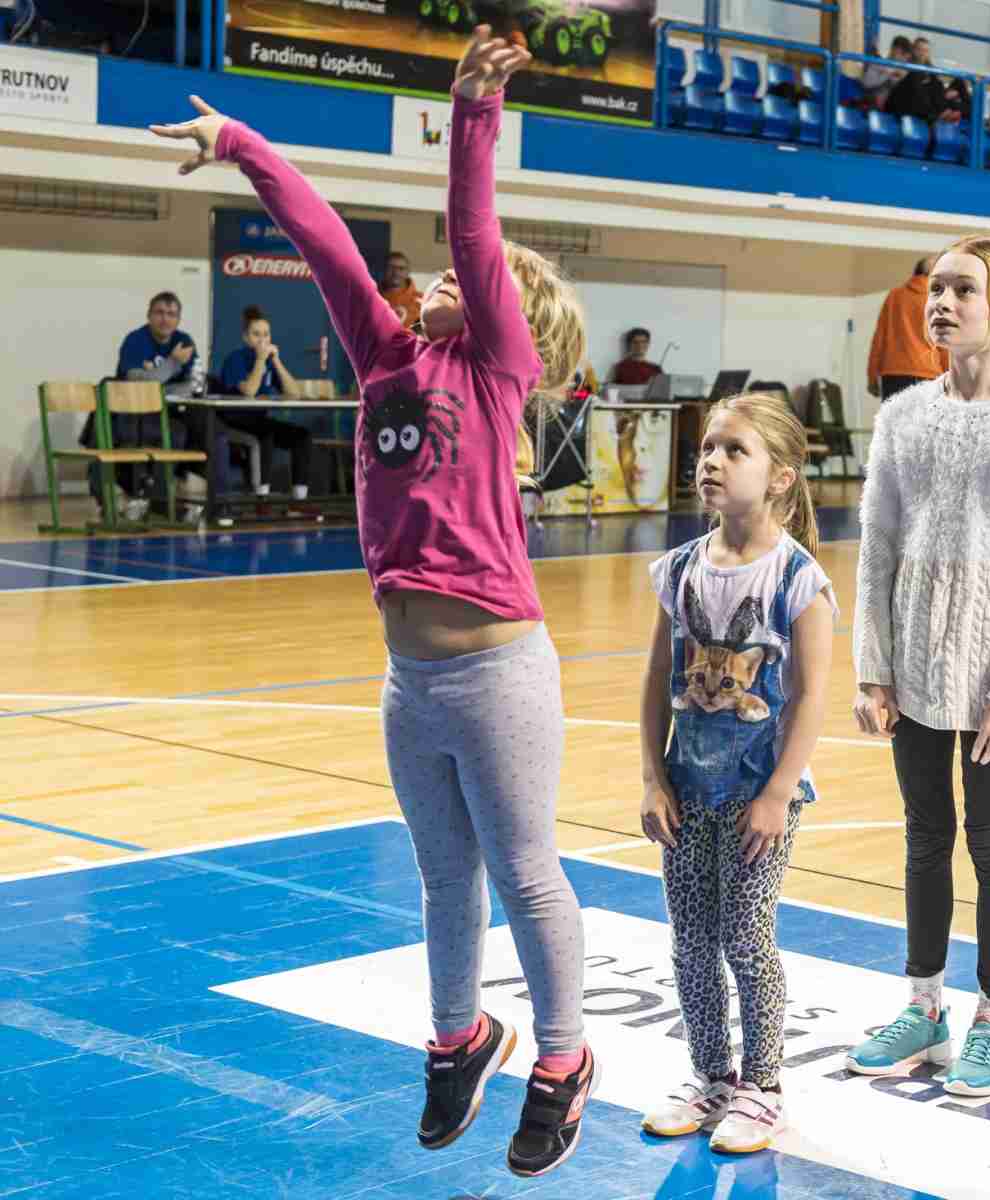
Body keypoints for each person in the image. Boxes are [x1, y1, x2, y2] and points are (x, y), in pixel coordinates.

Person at [152, 29, 596, 1177]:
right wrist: (239, 142)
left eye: (475, 281)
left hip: (499, 672)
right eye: (443, 276)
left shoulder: (495, 367)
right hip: (412, 679)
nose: (447, 275)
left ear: (511, 316)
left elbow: (474, 229)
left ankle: (563, 1058)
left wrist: (473, 109)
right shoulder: (384, 356)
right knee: (443, 875)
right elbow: (325, 243)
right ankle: (458, 1037)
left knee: (525, 871)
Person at [846, 236, 990, 1096]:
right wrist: (874, 668)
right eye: (936, 289)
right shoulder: (902, 417)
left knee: (989, 842)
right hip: (912, 672)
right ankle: (924, 1007)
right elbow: (877, 548)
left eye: (962, 291)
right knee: (924, 839)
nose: (941, 303)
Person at [638, 391, 835, 1154]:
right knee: (690, 941)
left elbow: (812, 696)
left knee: (746, 939)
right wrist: (653, 777)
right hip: (686, 792)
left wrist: (779, 792)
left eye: (733, 450)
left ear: (780, 477)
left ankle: (764, 1089)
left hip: (758, 798)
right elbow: (655, 680)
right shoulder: (679, 569)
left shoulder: (798, 579)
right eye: (707, 449)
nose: (712, 462)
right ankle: (711, 1078)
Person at [90, 291, 200, 509]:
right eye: (159, 312)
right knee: (153, 433)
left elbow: (194, 385)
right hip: (129, 414)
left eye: (171, 314)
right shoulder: (135, 340)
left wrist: (155, 378)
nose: (165, 319)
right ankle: (142, 495)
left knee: (179, 431)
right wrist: (172, 363)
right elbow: (136, 383)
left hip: (163, 413)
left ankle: (158, 499)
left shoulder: (184, 341)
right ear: (149, 316)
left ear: (178, 319)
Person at [217, 304, 315, 498]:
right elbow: (249, 392)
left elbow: (294, 393)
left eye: (266, 334)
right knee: (266, 434)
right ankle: (262, 497)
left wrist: (276, 361)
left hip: (259, 420)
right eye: (256, 334)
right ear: (246, 338)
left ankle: (299, 498)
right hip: (234, 421)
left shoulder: (270, 361)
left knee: (302, 436)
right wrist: (260, 360)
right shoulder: (235, 359)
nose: (262, 340)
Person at [866, 258, 947, 401]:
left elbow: (879, 338)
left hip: (893, 375)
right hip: (928, 375)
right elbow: (944, 343)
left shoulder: (894, 296)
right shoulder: (937, 301)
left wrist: (872, 376)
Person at [886, 37, 946, 124]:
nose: (922, 53)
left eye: (925, 51)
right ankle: (932, 114)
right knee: (915, 76)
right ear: (913, 50)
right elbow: (893, 79)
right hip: (900, 101)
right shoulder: (904, 61)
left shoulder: (930, 70)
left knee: (939, 82)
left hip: (917, 104)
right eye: (919, 50)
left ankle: (943, 111)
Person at [862, 35, 915, 110]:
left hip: (899, 104)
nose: (903, 59)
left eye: (906, 56)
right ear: (893, 49)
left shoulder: (905, 70)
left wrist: (903, 78)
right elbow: (866, 83)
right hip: (880, 102)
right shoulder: (878, 64)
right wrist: (889, 74)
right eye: (901, 53)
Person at [383, 251, 424, 326]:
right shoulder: (374, 299)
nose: (396, 272)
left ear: (408, 272)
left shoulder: (422, 301)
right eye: (391, 268)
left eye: (401, 269)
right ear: (384, 270)